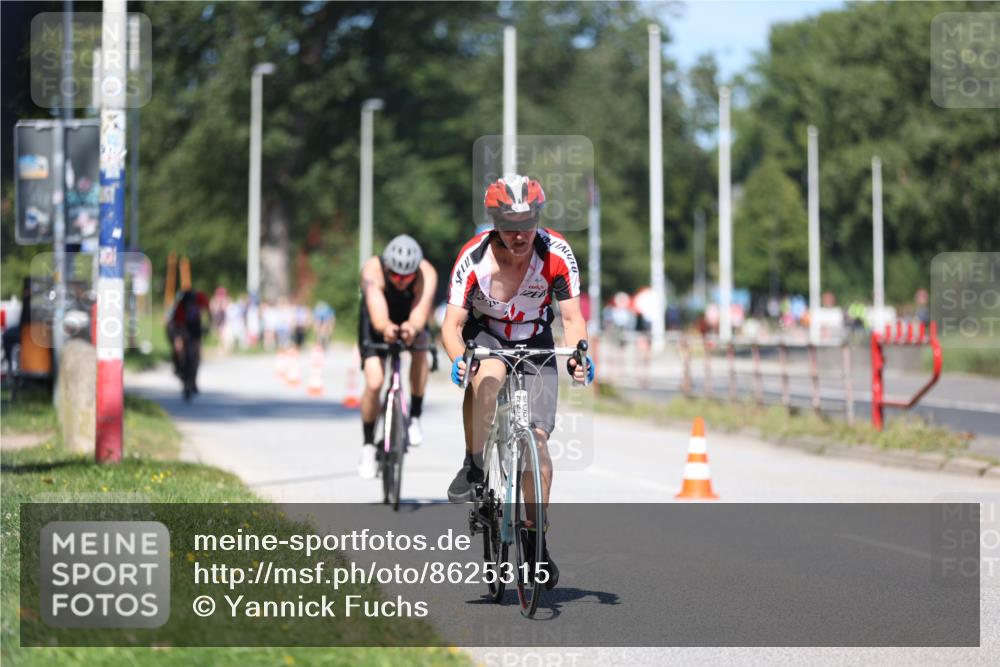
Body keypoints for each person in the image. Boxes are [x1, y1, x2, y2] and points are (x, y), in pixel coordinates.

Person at [440, 175, 595, 589]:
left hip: (535, 341)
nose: (520, 233)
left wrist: (580, 353)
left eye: (527, 222)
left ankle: (534, 544)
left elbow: (572, 318)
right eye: (509, 224)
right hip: (486, 334)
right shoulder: (473, 258)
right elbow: (451, 325)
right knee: (488, 376)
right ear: (494, 222)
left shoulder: (556, 253)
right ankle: (474, 463)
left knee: (539, 449)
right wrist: (459, 360)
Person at [357, 234, 438, 479]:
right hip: (376, 319)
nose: (401, 281)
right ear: (387, 268)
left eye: (407, 277)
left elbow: (420, 311)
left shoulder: (427, 273)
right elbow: (377, 311)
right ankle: (369, 445)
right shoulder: (373, 270)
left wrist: (412, 328)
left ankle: (414, 415)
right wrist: (385, 328)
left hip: (410, 314)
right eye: (395, 276)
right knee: (374, 381)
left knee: (422, 347)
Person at [166, 290, 209, 400]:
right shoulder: (180, 308)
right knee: (181, 357)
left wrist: (205, 327)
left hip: (194, 335)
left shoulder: (198, 304)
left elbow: (206, 314)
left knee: (195, 359)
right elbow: (175, 325)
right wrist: (177, 339)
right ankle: (183, 376)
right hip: (181, 334)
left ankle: (192, 382)